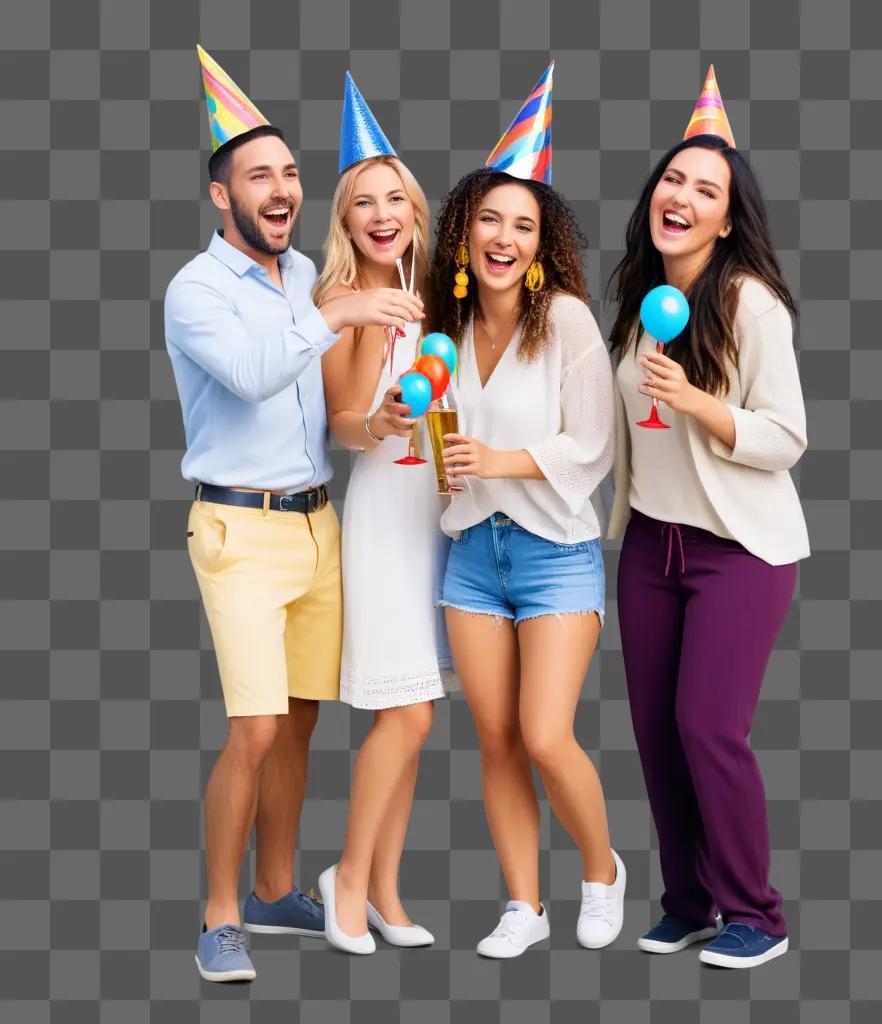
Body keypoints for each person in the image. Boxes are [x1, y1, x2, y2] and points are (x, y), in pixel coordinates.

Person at [164, 49, 423, 982]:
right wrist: (343, 308)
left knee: (304, 716)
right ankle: (221, 914)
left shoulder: (304, 269)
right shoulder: (197, 291)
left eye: (291, 173)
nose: (282, 188)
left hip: (320, 525)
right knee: (257, 726)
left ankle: (275, 888)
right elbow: (249, 374)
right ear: (221, 196)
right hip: (238, 531)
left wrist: (379, 422)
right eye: (258, 175)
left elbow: (327, 414)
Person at [606, 67, 810, 969]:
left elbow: (786, 437)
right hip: (651, 544)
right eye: (672, 180)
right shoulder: (639, 306)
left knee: (707, 728)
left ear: (727, 219)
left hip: (740, 552)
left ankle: (755, 913)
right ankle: (686, 901)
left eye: (705, 188)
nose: (679, 195)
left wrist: (698, 403)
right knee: (654, 732)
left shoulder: (749, 303)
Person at [427, 64, 623, 959]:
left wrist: (494, 459)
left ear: (542, 243)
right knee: (498, 737)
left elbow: (593, 447)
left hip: (555, 553)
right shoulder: (446, 331)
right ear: (464, 234)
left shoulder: (571, 323)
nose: (503, 236)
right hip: (471, 552)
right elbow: (439, 452)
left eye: (524, 224)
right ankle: (522, 905)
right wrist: (427, 447)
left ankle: (600, 869)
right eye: (489, 220)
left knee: (547, 734)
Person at [314, 74, 450, 955]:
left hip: (437, 518)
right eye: (363, 202)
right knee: (404, 714)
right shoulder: (344, 304)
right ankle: (348, 883)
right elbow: (341, 425)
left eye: (394, 196)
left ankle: (389, 891)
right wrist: (383, 421)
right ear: (346, 219)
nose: (381, 212)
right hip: (380, 519)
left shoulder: (436, 293)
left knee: (416, 706)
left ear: (414, 209)